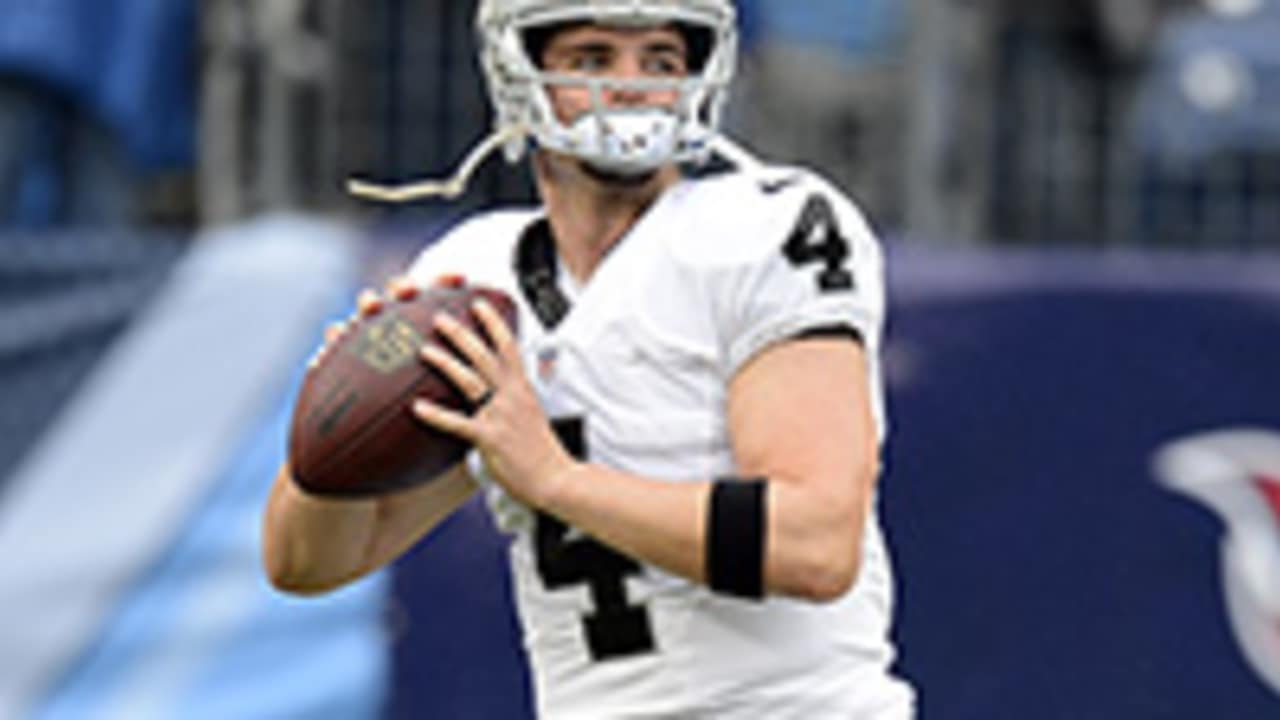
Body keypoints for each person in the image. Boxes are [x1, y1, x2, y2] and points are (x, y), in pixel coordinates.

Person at [264, 0, 915, 717]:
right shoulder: (472, 277)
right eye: (593, 58)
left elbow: (814, 544)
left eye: (661, 60)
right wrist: (332, 427)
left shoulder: (765, 228)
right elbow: (306, 563)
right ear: (521, 73)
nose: (632, 84)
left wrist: (558, 481)